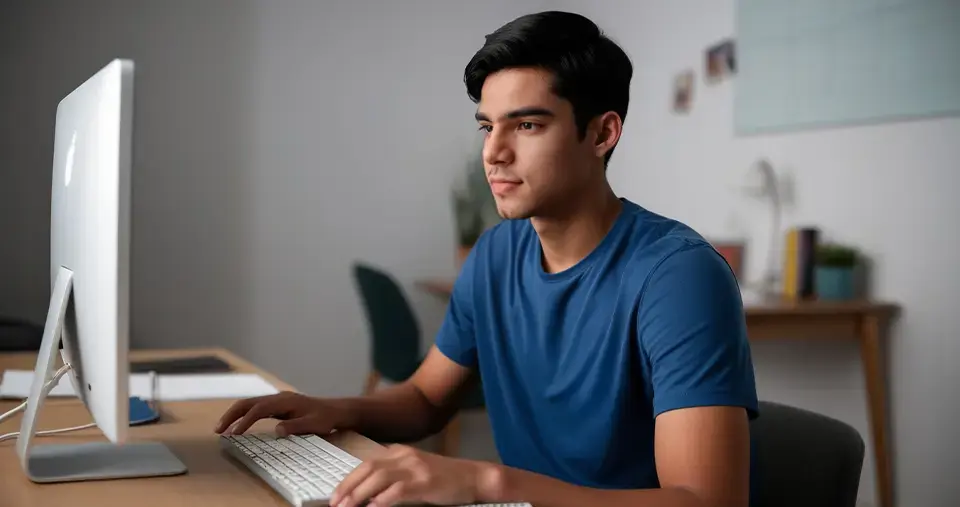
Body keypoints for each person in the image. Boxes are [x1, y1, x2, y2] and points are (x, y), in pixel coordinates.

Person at [215, 10, 759, 507]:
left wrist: (486, 482)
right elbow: (428, 398)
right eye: (487, 125)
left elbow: (707, 502)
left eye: (526, 125)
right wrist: (339, 410)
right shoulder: (496, 253)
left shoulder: (679, 277)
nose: (494, 152)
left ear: (601, 132)